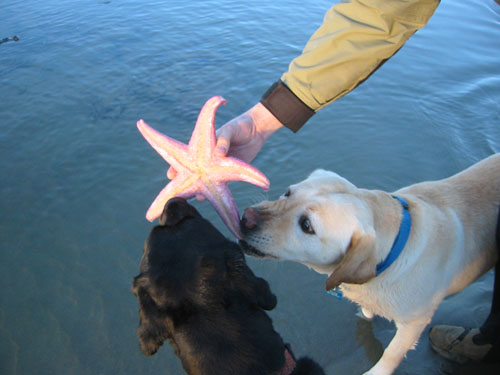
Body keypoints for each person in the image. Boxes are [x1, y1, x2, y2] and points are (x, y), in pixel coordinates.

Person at [178, 0, 500, 364]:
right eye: (288, 194)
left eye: (305, 224)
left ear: (356, 260)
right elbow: (379, 12)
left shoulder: (394, 278)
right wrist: (262, 120)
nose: (256, 215)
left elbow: (414, 317)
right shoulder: (354, 226)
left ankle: (487, 342)